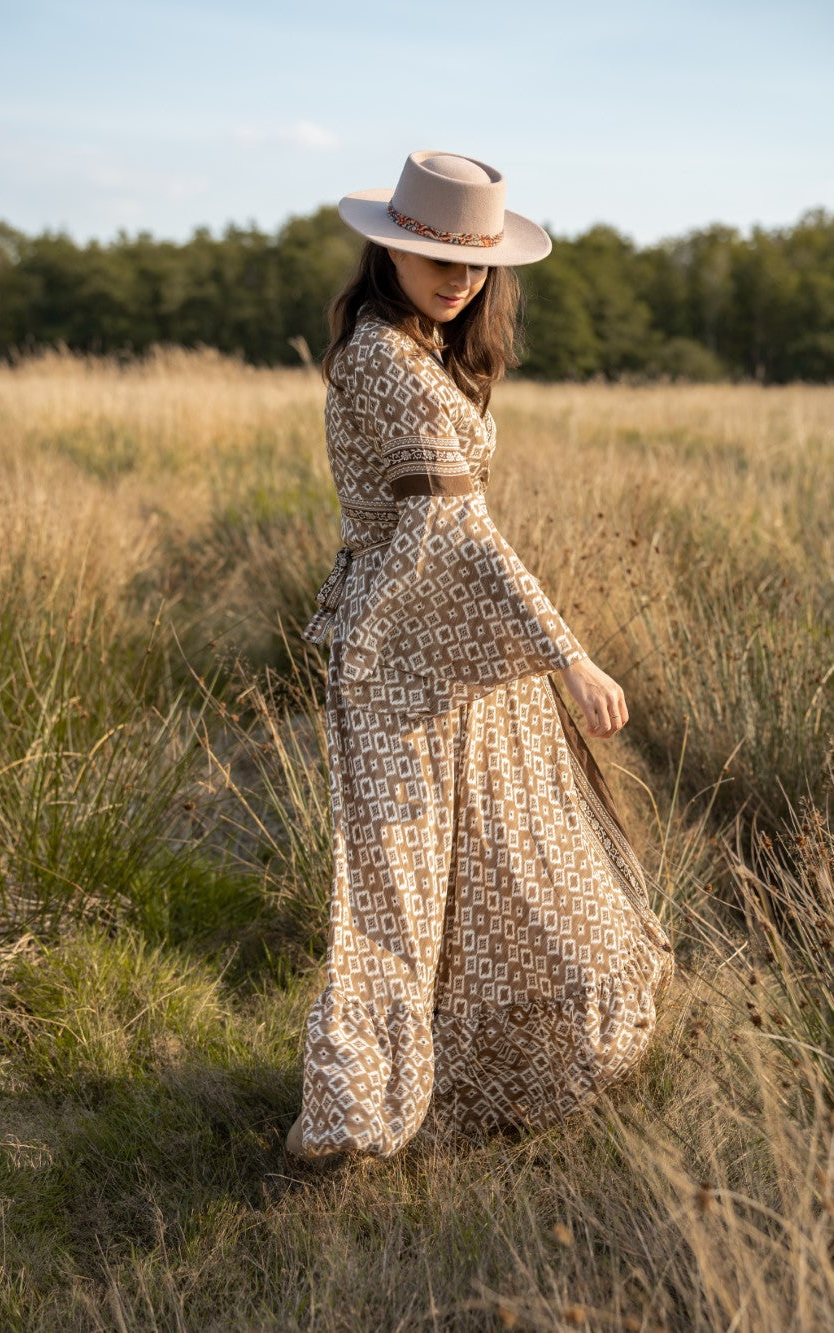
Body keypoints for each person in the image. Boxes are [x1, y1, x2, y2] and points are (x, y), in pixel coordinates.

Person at [286, 150, 674, 1161]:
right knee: (397, 894)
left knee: (496, 873)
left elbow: (461, 532)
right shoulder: (382, 358)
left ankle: (458, 1086)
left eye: (474, 263)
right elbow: (460, 532)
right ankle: (350, 1121)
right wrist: (567, 655)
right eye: (435, 258)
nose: (457, 278)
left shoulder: (423, 349)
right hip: (398, 660)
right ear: (389, 251)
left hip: (457, 655)